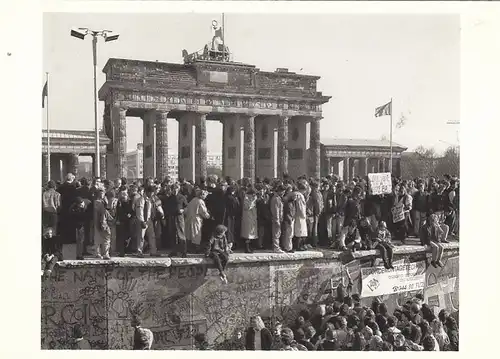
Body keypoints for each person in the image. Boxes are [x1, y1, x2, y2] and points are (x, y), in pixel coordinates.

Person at [165, 184, 188, 257]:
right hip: (171, 217)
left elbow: (187, 207)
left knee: (181, 233)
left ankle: (184, 251)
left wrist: (183, 210)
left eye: (176, 189)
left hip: (179, 217)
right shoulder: (169, 198)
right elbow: (166, 208)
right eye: (174, 189)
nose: (175, 190)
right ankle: (174, 251)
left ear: (179, 189)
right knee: (172, 234)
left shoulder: (182, 197)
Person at [185, 188, 211, 253]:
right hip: (196, 219)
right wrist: (209, 216)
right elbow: (203, 212)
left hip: (189, 218)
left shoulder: (193, 200)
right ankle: (196, 249)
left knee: (189, 234)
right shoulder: (200, 201)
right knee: (196, 234)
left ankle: (189, 248)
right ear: (202, 195)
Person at [93, 188, 111, 259]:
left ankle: (104, 253)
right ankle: (99, 253)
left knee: (105, 238)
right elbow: (100, 213)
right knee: (101, 238)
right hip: (100, 222)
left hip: (104, 222)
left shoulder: (103, 202)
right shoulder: (97, 202)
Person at [241, 187, 258, 253]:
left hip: (252, 218)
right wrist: (253, 200)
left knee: (252, 233)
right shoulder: (246, 198)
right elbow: (247, 207)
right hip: (247, 218)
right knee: (247, 234)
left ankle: (250, 247)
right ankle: (246, 248)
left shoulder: (252, 198)